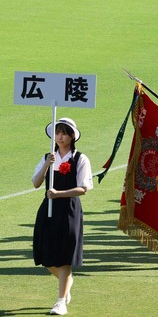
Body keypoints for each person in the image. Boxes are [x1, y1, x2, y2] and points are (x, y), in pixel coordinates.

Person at [32, 117, 92, 316]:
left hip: (69, 210)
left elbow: (83, 188)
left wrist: (60, 194)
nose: (60, 137)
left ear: (72, 136)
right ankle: (66, 282)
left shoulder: (80, 159)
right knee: (47, 256)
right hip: (48, 208)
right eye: (57, 133)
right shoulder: (48, 157)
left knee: (64, 256)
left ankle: (60, 301)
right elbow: (36, 183)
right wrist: (46, 165)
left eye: (64, 133)